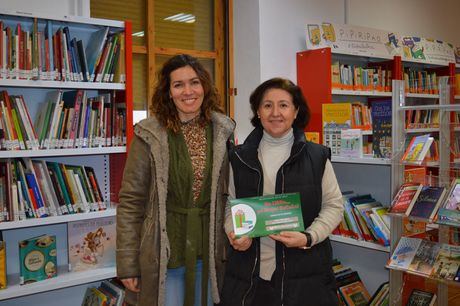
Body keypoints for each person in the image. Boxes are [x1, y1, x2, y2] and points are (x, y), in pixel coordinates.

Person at [116, 54, 235, 306]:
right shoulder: (150, 135)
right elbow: (130, 203)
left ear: (204, 86)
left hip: (209, 254)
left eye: (194, 82)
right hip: (163, 256)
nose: (187, 91)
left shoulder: (222, 132)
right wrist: (127, 264)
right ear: (168, 92)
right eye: (178, 85)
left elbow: (230, 194)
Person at [221, 78, 344, 306]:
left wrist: (309, 237)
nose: (275, 112)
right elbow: (230, 202)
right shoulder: (237, 158)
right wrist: (235, 233)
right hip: (251, 274)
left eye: (284, 105)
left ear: (296, 111)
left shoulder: (317, 157)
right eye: (267, 105)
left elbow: (334, 205)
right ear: (258, 112)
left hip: (305, 276)